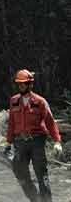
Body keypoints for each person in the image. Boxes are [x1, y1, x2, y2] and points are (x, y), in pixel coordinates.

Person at [5, 69, 63, 202]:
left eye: (23, 84)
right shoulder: (14, 101)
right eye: (19, 84)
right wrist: (8, 143)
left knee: (42, 176)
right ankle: (35, 199)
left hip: (37, 142)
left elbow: (50, 121)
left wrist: (57, 141)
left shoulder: (40, 102)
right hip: (20, 143)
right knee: (20, 174)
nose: (21, 86)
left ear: (30, 84)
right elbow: (12, 124)